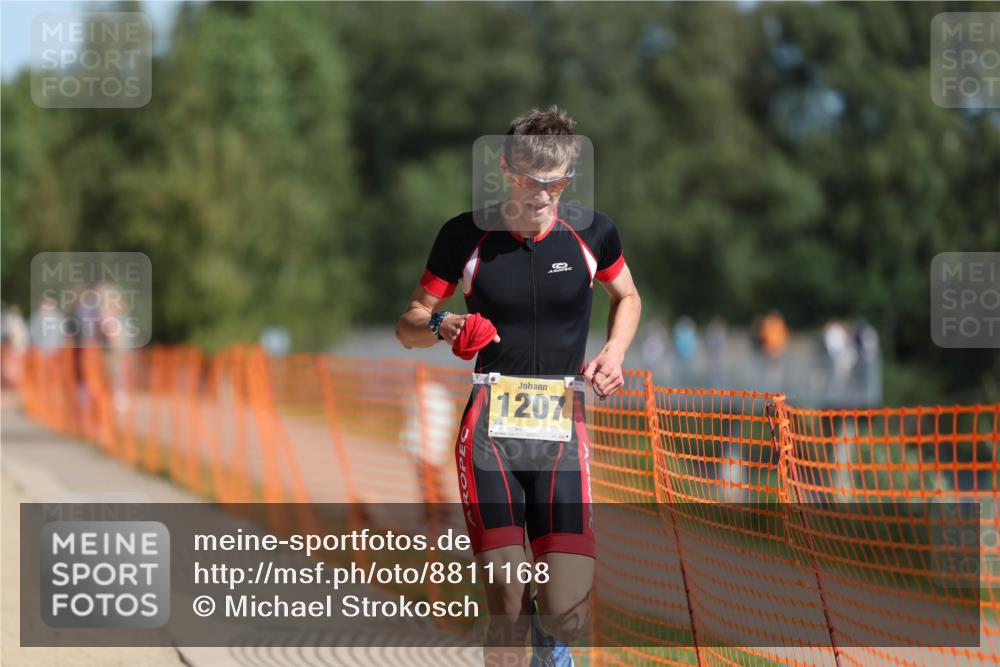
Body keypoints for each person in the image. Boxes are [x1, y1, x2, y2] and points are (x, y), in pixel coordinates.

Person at [396, 106, 641, 667]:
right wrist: (442, 325)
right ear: (506, 168)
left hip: (562, 429)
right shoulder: (465, 236)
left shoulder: (593, 233)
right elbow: (408, 323)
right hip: (489, 433)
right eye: (532, 179)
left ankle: (550, 643)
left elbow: (628, 296)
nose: (543, 194)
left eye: (555, 182)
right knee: (506, 600)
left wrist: (614, 351)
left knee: (566, 606)